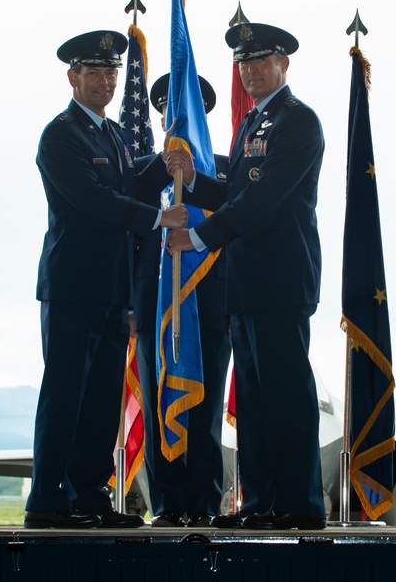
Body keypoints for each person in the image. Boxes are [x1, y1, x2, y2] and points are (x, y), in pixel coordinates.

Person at [165, 23, 326, 530]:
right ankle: (261, 503)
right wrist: (194, 181)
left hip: (281, 279)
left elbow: (264, 197)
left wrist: (198, 238)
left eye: (261, 61)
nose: (251, 71)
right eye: (244, 63)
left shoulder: (298, 122)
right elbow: (235, 191)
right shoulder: (251, 125)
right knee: (254, 400)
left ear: (284, 64)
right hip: (247, 281)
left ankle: (299, 505)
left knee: (286, 395)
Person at [27, 30, 186, 529]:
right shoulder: (60, 135)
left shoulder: (113, 135)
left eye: (110, 72)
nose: (104, 80)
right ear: (72, 77)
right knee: (65, 395)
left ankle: (88, 498)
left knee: (100, 402)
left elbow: (131, 184)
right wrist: (158, 219)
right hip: (72, 288)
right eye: (93, 72)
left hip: (113, 290)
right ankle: (48, 502)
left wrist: (166, 166)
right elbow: (92, 199)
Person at [133, 73, 232, 528]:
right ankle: (169, 503)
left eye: (185, 117)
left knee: (206, 409)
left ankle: (204, 503)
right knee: (160, 407)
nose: (176, 126)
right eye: (168, 115)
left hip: (210, 309)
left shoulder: (224, 173)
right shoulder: (143, 174)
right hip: (155, 309)